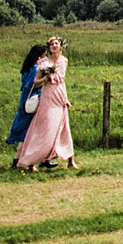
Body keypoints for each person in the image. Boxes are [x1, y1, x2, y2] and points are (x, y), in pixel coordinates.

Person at [15, 36, 77, 171]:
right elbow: (35, 82)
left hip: (60, 94)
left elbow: (62, 80)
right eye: (51, 44)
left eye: (56, 44)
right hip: (48, 95)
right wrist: (45, 78)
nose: (54, 46)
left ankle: (70, 160)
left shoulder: (64, 61)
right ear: (49, 47)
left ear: (61, 46)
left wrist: (65, 98)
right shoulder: (44, 62)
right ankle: (31, 160)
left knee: (64, 126)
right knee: (45, 127)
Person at [5, 42, 47, 165]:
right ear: (39, 57)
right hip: (31, 99)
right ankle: (21, 160)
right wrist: (46, 78)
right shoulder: (35, 68)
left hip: (24, 99)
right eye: (44, 56)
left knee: (25, 128)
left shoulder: (27, 67)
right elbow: (33, 84)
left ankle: (19, 160)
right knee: (28, 131)